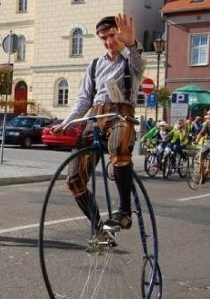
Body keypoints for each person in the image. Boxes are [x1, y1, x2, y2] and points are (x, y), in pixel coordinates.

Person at [51, 13, 143, 231]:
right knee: (74, 179)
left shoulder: (131, 60)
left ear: (120, 35)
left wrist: (130, 43)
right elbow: (83, 98)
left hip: (120, 114)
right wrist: (67, 122)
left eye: (112, 35)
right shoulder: (94, 65)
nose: (109, 42)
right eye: (103, 38)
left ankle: (124, 212)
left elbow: (138, 60)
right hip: (96, 116)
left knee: (119, 147)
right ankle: (98, 227)